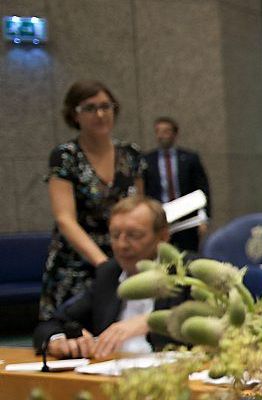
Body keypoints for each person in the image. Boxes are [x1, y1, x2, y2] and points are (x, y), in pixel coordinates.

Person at [40, 80, 146, 321]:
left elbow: (139, 209)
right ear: (74, 115)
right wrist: (104, 264)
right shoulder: (65, 156)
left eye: (105, 106)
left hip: (124, 256)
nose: (100, 114)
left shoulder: (131, 154)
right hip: (78, 263)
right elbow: (65, 219)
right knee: (72, 336)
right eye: (89, 108)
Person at [34, 196, 182, 359]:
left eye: (134, 235)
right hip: (109, 372)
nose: (122, 245)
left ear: (163, 236)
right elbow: (50, 325)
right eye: (115, 235)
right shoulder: (109, 274)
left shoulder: (187, 271)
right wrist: (59, 341)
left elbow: (206, 319)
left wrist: (151, 322)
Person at [141, 116, 211, 252]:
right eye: (158, 131)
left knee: (188, 255)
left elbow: (202, 188)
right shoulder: (147, 160)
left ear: (175, 134)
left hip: (187, 216)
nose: (161, 136)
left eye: (166, 131)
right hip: (160, 216)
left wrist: (203, 217)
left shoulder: (190, 158)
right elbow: (144, 190)